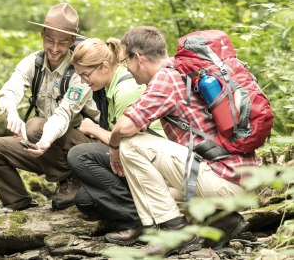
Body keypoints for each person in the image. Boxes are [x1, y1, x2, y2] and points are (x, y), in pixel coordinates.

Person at [108, 26, 254, 256]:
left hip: (223, 180)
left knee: (130, 144)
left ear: (138, 58)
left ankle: (174, 233)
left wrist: (114, 145)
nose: (127, 69)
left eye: (126, 61)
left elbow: (125, 127)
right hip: (242, 180)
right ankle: (223, 221)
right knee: (156, 193)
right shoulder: (185, 71)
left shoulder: (166, 77)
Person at [0, 3, 100, 211]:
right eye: (50, 39)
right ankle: (18, 203)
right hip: (45, 146)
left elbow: (64, 113)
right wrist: (12, 112)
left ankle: (69, 180)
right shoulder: (33, 62)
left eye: (62, 42)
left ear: (72, 41)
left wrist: (44, 139)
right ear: (42, 34)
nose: (54, 48)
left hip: (80, 147)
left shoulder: (80, 69)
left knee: (34, 126)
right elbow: (11, 88)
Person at [67, 37, 165, 246]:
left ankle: (138, 223)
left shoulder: (126, 89)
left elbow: (127, 144)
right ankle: (139, 212)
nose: (84, 82)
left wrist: (94, 129)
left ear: (104, 66)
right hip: (141, 157)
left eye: (86, 75)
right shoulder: (109, 89)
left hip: (155, 162)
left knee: (78, 155)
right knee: (85, 201)